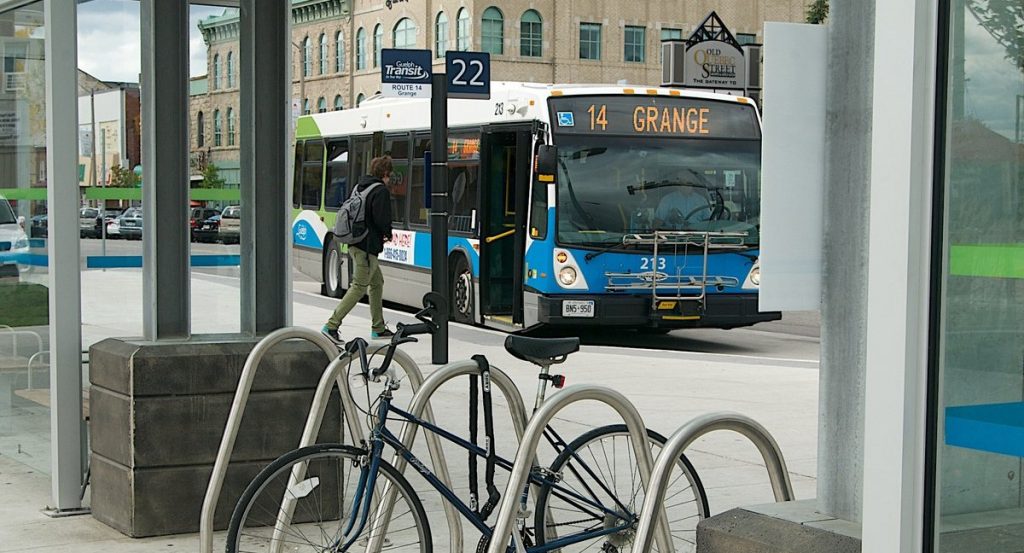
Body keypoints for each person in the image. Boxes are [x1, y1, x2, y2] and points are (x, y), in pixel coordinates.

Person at [322, 156, 395, 344]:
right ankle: (331, 325)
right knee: (358, 287)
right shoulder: (380, 191)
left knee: (377, 281)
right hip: (367, 248)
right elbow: (381, 219)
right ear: (386, 174)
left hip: (355, 243)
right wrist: (388, 232)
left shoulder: (360, 187)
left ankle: (378, 327)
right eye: (390, 175)